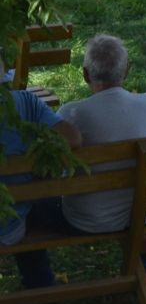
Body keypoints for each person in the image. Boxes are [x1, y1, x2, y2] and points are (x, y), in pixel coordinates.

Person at [58, 35, 146, 243]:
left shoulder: (71, 114)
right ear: (126, 70)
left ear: (85, 75)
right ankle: (140, 266)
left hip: (87, 220)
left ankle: (40, 276)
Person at [4, 67, 85, 291]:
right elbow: (73, 138)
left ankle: (39, 281)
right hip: (10, 225)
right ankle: (39, 282)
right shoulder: (24, 102)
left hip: (12, 220)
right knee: (33, 201)